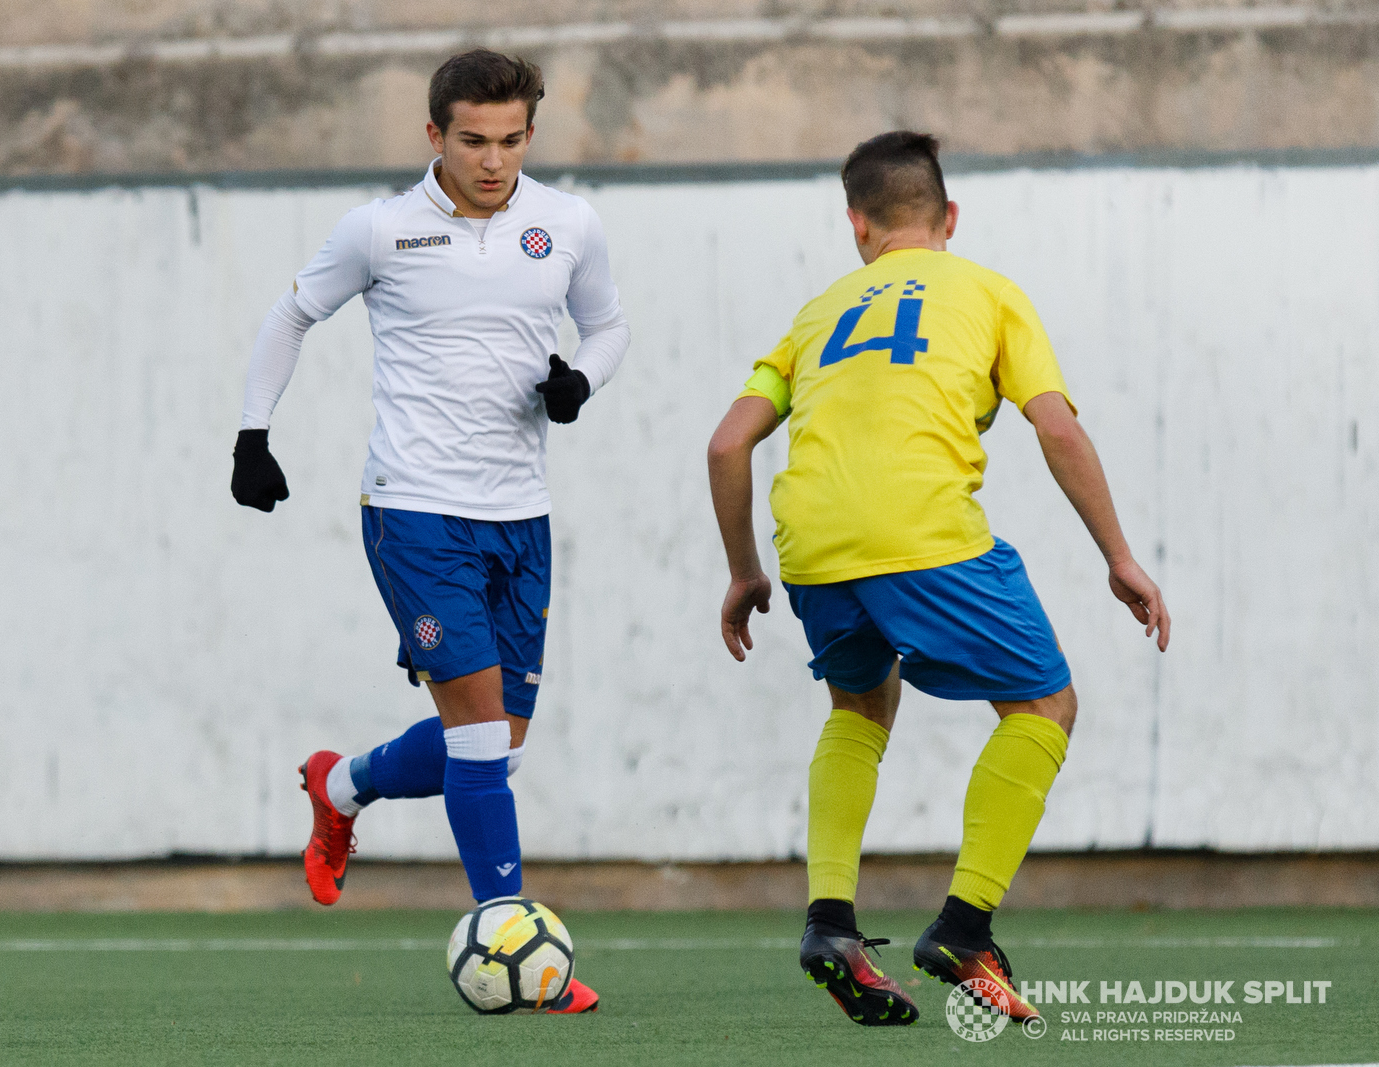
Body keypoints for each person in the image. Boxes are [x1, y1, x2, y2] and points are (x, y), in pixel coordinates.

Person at [706, 131, 1170, 1027]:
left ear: (858, 226)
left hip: (811, 544)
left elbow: (728, 442)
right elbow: (1056, 427)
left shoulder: (817, 313)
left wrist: (743, 572)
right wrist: (1118, 554)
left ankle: (830, 924)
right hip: (923, 531)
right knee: (1046, 705)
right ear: (948, 216)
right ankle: (963, 926)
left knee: (859, 707)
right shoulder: (990, 291)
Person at [231, 49, 629, 1014]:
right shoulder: (380, 231)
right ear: (434, 135)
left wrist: (582, 377)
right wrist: (253, 435)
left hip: (520, 517)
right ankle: (518, 945)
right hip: (412, 510)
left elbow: (609, 326)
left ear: (531, 133)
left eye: (511, 141)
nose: (493, 161)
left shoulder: (568, 222)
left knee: (496, 747)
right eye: (472, 141)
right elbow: (290, 317)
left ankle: (342, 788)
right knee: (484, 740)